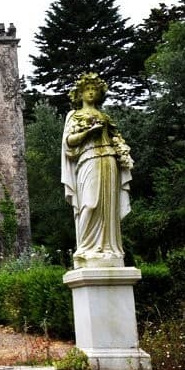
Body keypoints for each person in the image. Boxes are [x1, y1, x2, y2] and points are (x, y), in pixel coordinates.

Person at [61, 73, 134, 269]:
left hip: (109, 161)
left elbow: (117, 140)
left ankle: (109, 248)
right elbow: (68, 142)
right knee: (90, 203)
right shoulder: (74, 116)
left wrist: (122, 154)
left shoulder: (105, 117)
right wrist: (87, 133)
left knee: (108, 207)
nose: (91, 92)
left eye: (94, 89)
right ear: (80, 94)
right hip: (89, 159)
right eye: (87, 90)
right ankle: (85, 248)